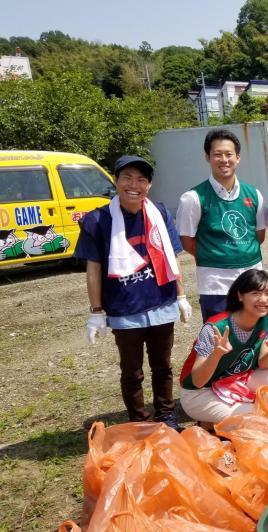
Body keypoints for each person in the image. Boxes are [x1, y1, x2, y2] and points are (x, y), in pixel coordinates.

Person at [75, 155, 190, 430]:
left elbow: (173, 259)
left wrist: (182, 296)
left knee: (163, 366)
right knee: (132, 371)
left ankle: (165, 416)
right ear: (116, 180)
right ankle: (139, 421)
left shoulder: (159, 213)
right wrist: (96, 311)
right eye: (127, 177)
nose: (134, 185)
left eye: (141, 179)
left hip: (161, 302)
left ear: (149, 185)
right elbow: (94, 267)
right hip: (125, 308)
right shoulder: (98, 220)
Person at [179, 270, 268, 425]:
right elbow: (198, 382)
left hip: (235, 381)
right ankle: (211, 421)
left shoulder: (267, 318)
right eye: (255, 293)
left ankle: (216, 422)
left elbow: (263, 364)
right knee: (260, 417)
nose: (263, 300)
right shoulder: (215, 328)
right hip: (200, 393)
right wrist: (217, 354)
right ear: (240, 296)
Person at [177, 128, 268, 321]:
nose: (224, 160)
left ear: (238, 157)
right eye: (217, 154)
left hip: (252, 278)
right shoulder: (193, 198)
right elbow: (187, 242)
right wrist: (217, 254)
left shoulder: (254, 194)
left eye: (229, 154)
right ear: (207, 157)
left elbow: (258, 235)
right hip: (215, 283)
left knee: (258, 337)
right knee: (219, 341)